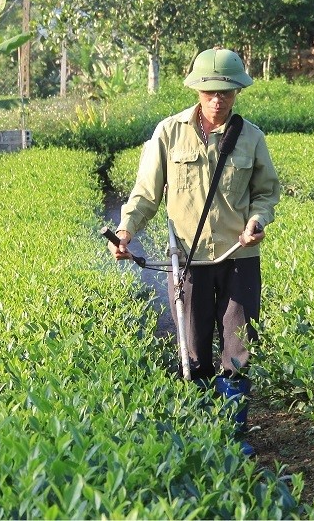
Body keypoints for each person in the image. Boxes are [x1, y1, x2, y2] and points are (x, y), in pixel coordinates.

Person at [108, 47, 281, 455]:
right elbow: (146, 195)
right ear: (197, 91)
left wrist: (258, 222)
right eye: (210, 92)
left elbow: (266, 193)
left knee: (238, 345)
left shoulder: (252, 137)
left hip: (237, 258)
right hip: (186, 260)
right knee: (195, 348)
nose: (218, 100)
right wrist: (126, 230)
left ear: (238, 92)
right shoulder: (168, 133)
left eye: (227, 92)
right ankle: (205, 434)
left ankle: (234, 435)